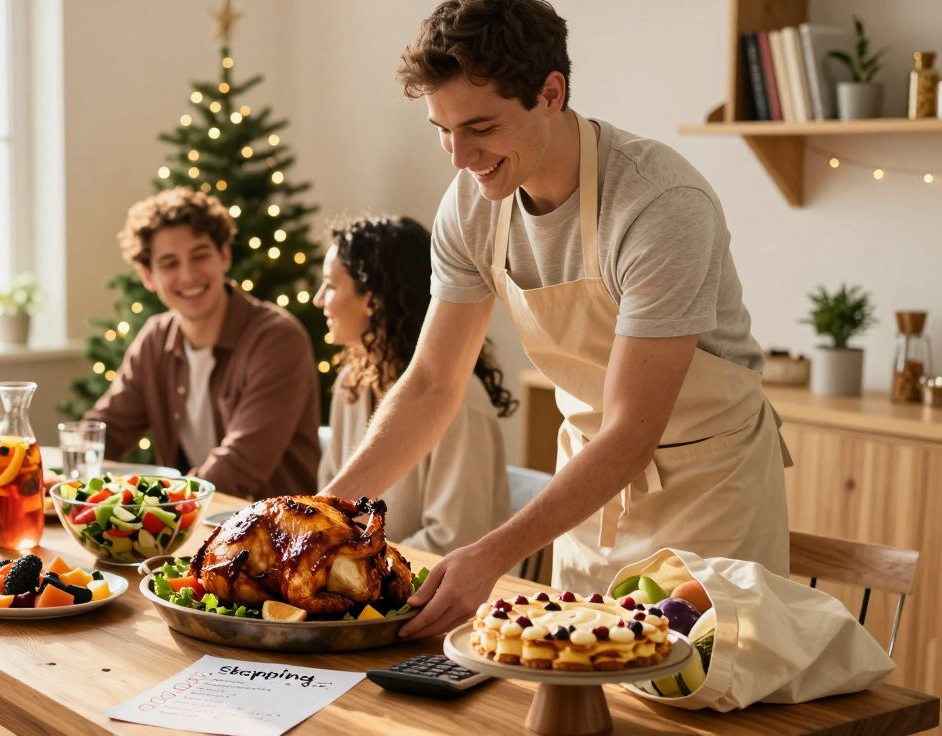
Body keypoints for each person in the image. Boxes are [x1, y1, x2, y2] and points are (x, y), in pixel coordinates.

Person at [322, 0, 791, 639]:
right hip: (586, 490)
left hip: (708, 498)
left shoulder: (659, 205)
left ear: (550, 93)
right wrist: (327, 514)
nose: (460, 156)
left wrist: (490, 553)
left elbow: (630, 431)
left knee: (697, 699)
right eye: (443, 129)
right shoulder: (472, 202)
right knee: (578, 686)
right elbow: (433, 382)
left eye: (481, 127)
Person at [86, 187, 320, 500]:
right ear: (148, 276)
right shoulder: (156, 338)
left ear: (224, 255)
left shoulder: (277, 338)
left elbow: (240, 465)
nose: (188, 275)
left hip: (282, 534)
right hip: (201, 528)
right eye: (169, 263)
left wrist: (151, 503)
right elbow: (105, 429)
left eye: (200, 256)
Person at [314, 216, 516, 555]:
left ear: (372, 298)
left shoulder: (462, 400)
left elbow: (453, 539)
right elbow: (333, 506)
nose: (320, 299)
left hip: (443, 597)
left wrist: (360, 568)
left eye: (331, 285)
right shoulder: (352, 383)